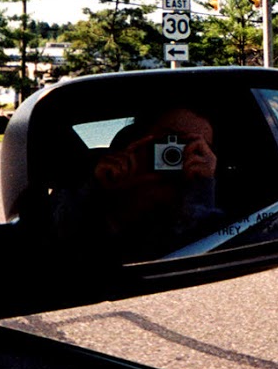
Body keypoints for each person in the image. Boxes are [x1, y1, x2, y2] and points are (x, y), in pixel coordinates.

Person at [55, 106, 226, 263]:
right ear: (137, 142)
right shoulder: (81, 199)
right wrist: (95, 192)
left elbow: (204, 244)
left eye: (197, 149)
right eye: (169, 139)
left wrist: (202, 189)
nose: (178, 154)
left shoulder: (210, 208)